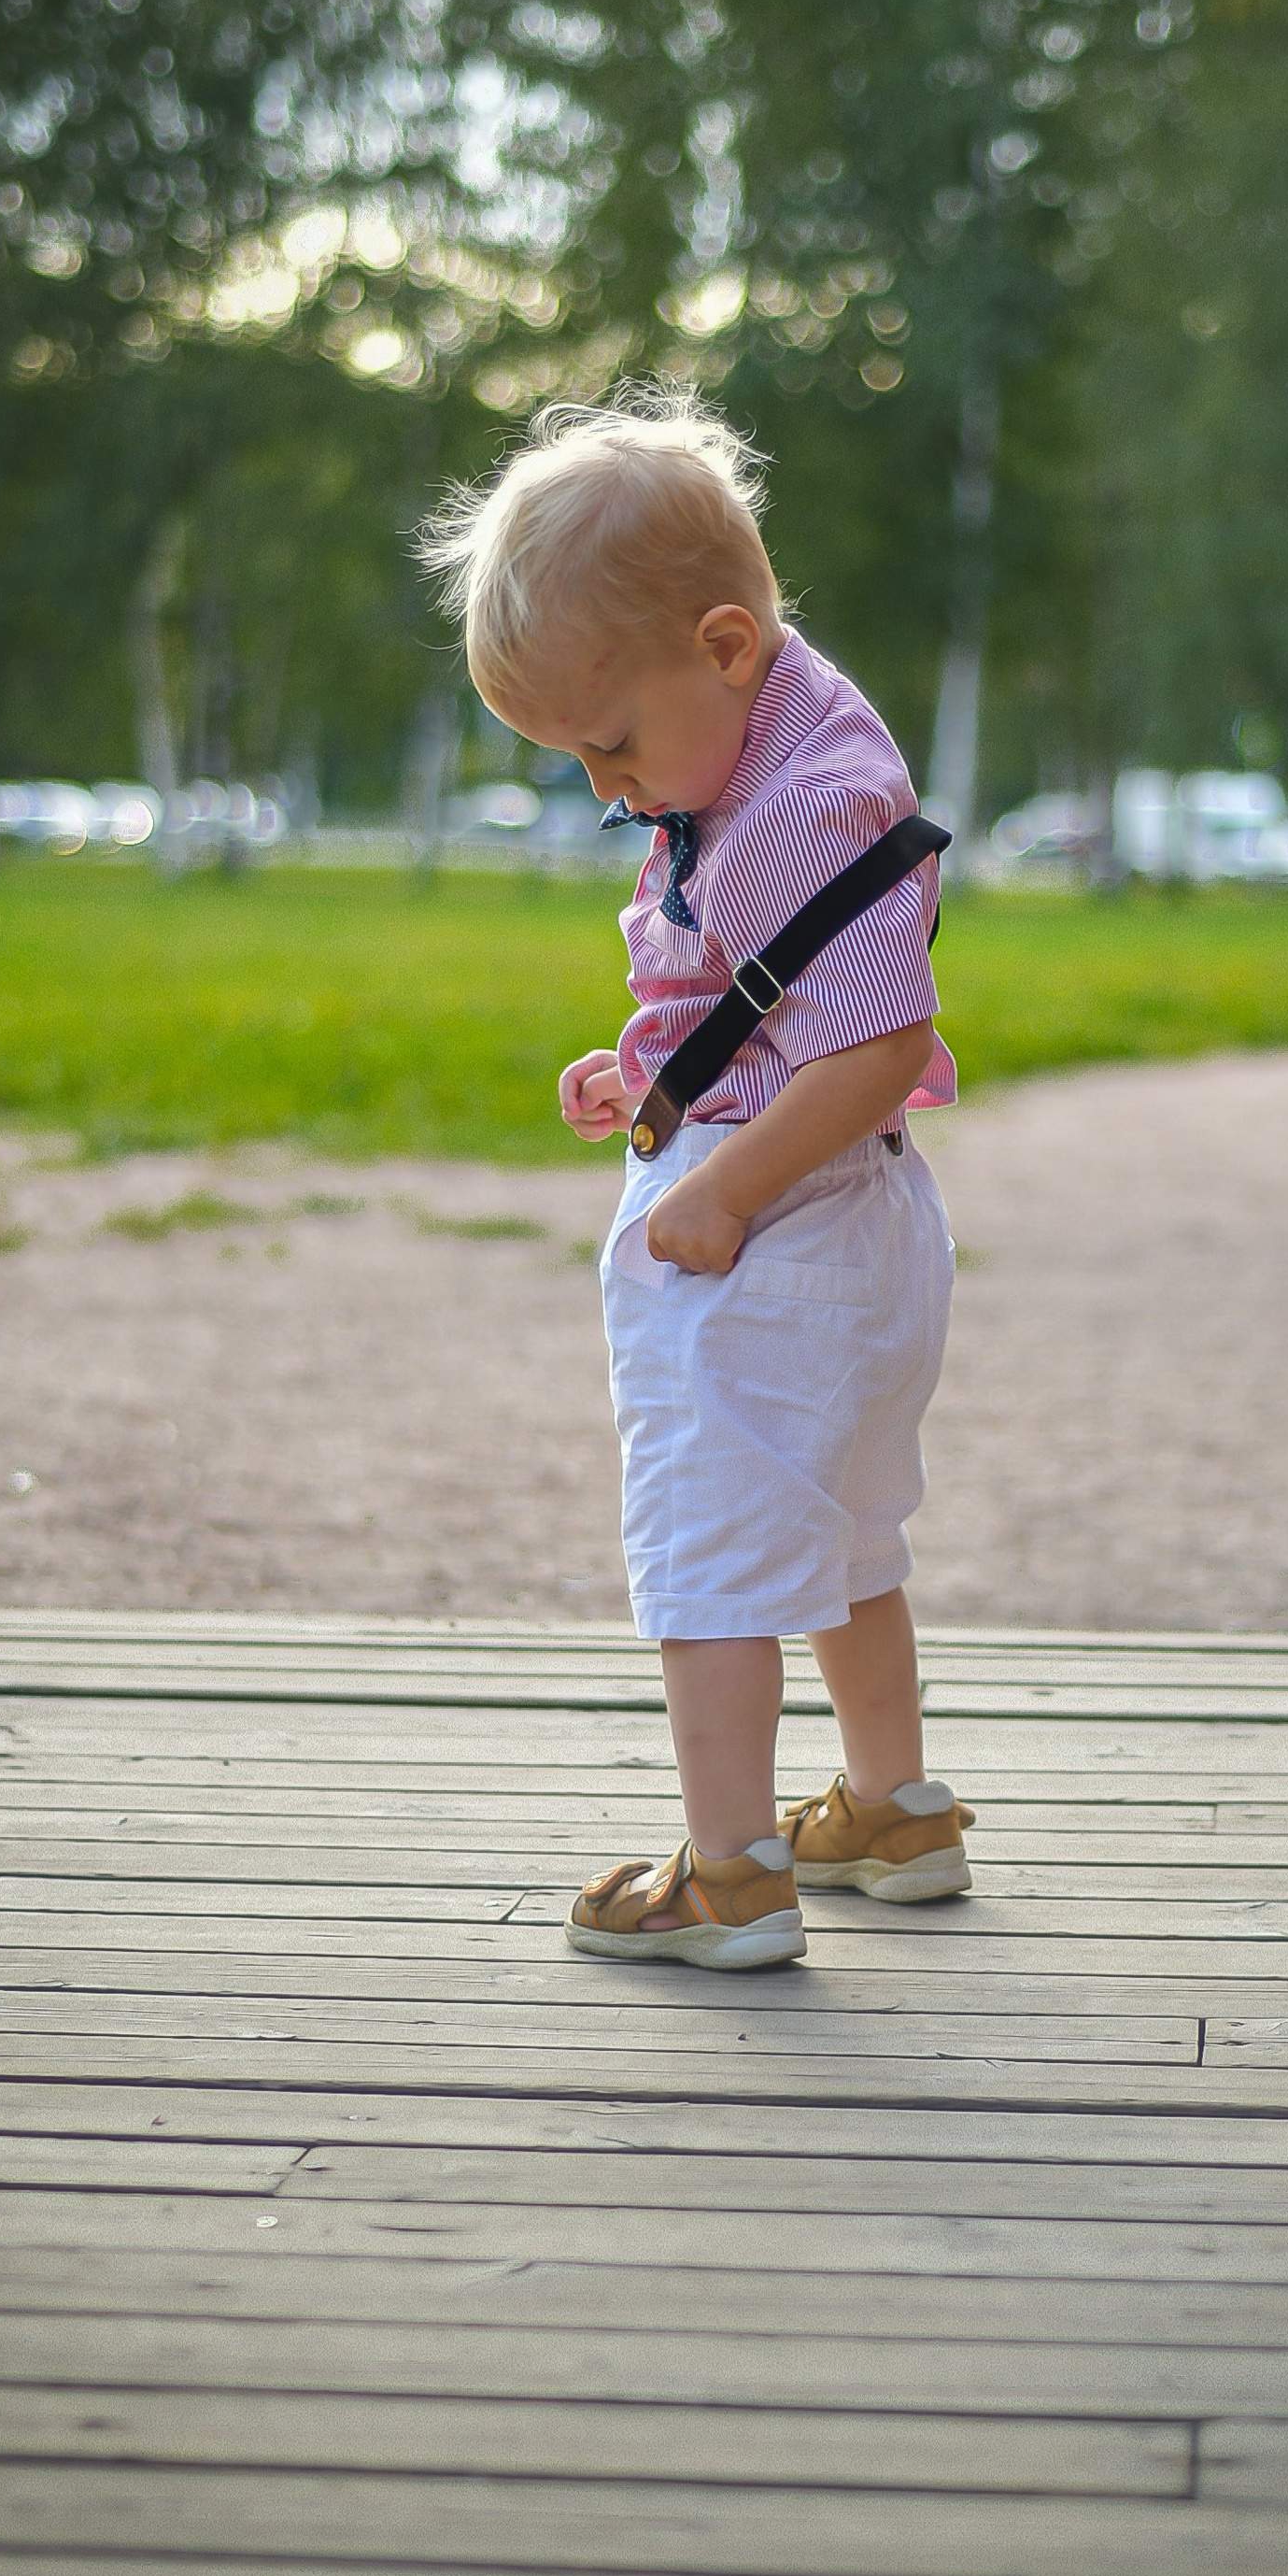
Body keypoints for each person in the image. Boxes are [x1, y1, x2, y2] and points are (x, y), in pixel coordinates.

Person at [422, 385, 974, 1968]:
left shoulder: (793, 807)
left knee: (712, 1550)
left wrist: (724, 1185)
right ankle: (894, 1805)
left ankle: (729, 1873)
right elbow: (790, 999)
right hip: (851, 1214)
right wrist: (660, 1080)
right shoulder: (784, 737)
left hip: (777, 1230)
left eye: (608, 742)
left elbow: (878, 1044)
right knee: (846, 1530)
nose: (605, 787)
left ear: (726, 648)